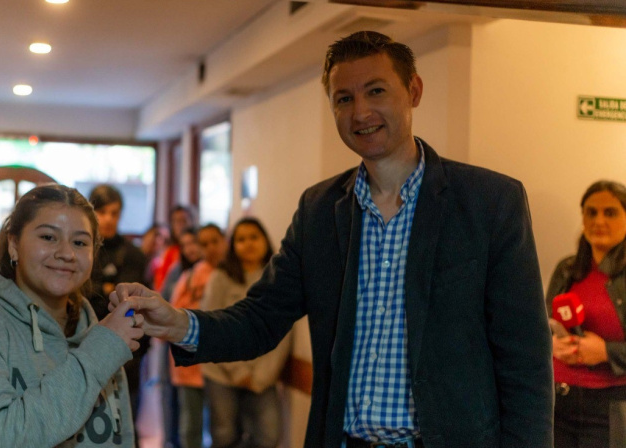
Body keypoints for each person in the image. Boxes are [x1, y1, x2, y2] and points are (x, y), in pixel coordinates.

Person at [111, 30, 553, 447]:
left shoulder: (489, 202)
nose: (360, 112)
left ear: (414, 91)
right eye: (344, 98)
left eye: (376, 91)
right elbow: (261, 317)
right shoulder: (320, 210)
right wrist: (179, 323)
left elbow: (526, 364)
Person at [0, 184, 144, 447]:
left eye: (80, 242)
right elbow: (0, 439)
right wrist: (100, 352)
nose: (66, 253)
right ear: (14, 245)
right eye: (48, 237)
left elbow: (119, 438)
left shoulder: (97, 335)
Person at [547, 180, 626, 447]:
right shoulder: (566, 269)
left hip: (610, 410)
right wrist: (553, 344)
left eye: (610, 212)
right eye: (591, 212)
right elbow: (542, 325)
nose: (598, 220)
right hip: (558, 402)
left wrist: (606, 352)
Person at [200, 218, 290, 448]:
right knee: (225, 435)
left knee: (269, 435)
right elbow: (211, 327)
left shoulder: (279, 278)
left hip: (263, 375)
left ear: (265, 240)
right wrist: (238, 371)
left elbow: (283, 331)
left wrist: (261, 376)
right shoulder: (220, 277)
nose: (248, 243)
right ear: (233, 246)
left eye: (254, 237)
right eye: (241, 239)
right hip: (221, 371)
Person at [87, 184, 149, 438]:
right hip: (86, 346)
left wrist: (103, 290)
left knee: (125, 424)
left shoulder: (133, 254)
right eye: (102, 212)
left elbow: (128, 303)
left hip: (126, 353)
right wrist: (105, 289)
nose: (109, 219)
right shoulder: (82, 250)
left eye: (114, 213)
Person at [169, 225, 225, 448]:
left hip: (223, 364)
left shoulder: (231, 274)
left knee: (222, 427)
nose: (210, 248)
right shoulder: (190, 276)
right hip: (191, 364)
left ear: (224, 241)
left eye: (215, 241)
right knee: (191, 425)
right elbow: (174, 314)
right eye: (204, 243)